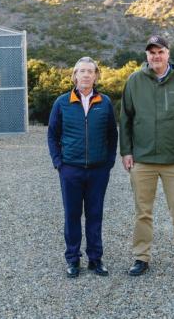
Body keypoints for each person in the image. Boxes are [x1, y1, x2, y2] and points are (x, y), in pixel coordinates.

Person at [119, 35, 174, 277]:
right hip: (142, 159)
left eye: (160, 51)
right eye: (151, 52)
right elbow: (125, 119)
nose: (156, 56)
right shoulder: (134, 81)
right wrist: (126, 152)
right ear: (146, 55)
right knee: (142, 212)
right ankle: (141, 257)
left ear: (168, 54)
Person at [47, 56, 118, 278]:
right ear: (75, 76)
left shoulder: (104, 102)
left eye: (90, 71)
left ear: (96, 75)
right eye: (82, 71)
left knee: (95, 215)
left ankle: (95, 259)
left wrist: (108, 163)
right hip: (71, 170)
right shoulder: (61, 102)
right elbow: (52, 135)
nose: (86, 75)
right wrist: (59, 163)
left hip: (98, 171)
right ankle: (72, 259)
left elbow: (112, 136)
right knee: (72, 215)